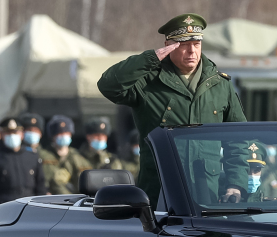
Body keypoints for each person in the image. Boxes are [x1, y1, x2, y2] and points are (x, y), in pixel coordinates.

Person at [97, 13, 247, 205]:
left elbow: (237, 139)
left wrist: (236, 184)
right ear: (168, 45)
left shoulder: (220, 84)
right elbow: (108, 85)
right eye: (184, 45)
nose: (192, 51)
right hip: (160, 193)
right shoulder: (148, 82)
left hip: (207, 193)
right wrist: (150, 59)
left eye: (196, 44)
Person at [0, 117, 47, 210]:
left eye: (15, 132)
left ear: (22, 134)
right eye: (8, 133)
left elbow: (41, 186)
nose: (12, 135)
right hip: (3, 208)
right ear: (2, 135)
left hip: (29, 207)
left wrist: (41, 208)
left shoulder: (32, 156)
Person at [40, 115, 90, 195]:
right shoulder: (43, 155)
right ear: (52, 136)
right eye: (60, 133)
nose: (63, 136)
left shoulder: (78, 156)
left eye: (66, 133)